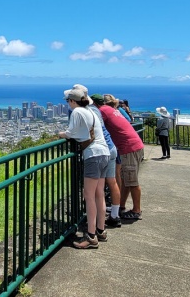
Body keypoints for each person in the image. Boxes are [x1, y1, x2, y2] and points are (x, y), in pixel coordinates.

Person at [58, 88, 109, 248]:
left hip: (93, 155)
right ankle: (101, 230)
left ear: (73, 101)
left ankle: (91, 236)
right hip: (104, 153)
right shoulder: (91, 111)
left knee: (89, 196)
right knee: (99, 194)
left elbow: (71, 133)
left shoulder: (78, 112)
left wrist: (61, 134)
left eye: (68, 101)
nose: (68, 104)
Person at [72, 84, 122, 228]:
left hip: (96, 153)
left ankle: (92, 233)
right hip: (109, 148)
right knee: (105, 188)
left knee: (90, 195)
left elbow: (76, 132)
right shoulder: (96, 111)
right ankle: (113, 217)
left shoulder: (81, 112)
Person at [94, 94, 145, 221]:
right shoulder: (113, 110)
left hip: (129, 148)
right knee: (126, 179)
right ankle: (121, 206)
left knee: (132, 181)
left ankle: (136, 210)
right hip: (134, 145)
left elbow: (96, 127)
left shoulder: (103, 111)